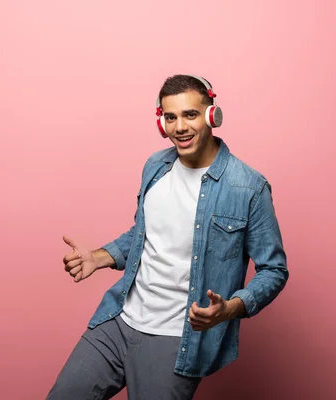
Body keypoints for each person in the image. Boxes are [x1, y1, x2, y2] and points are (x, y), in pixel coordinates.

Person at [47, 74, 289, 400]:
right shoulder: (155, 167)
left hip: (175, 340)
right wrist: (100, 258)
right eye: (170, 117)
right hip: (119, 319)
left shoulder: (248, 187)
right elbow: (144, 234)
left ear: (211, 115)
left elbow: (274, 270)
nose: (180, 127)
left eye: (190, 114)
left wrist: (230, 308)